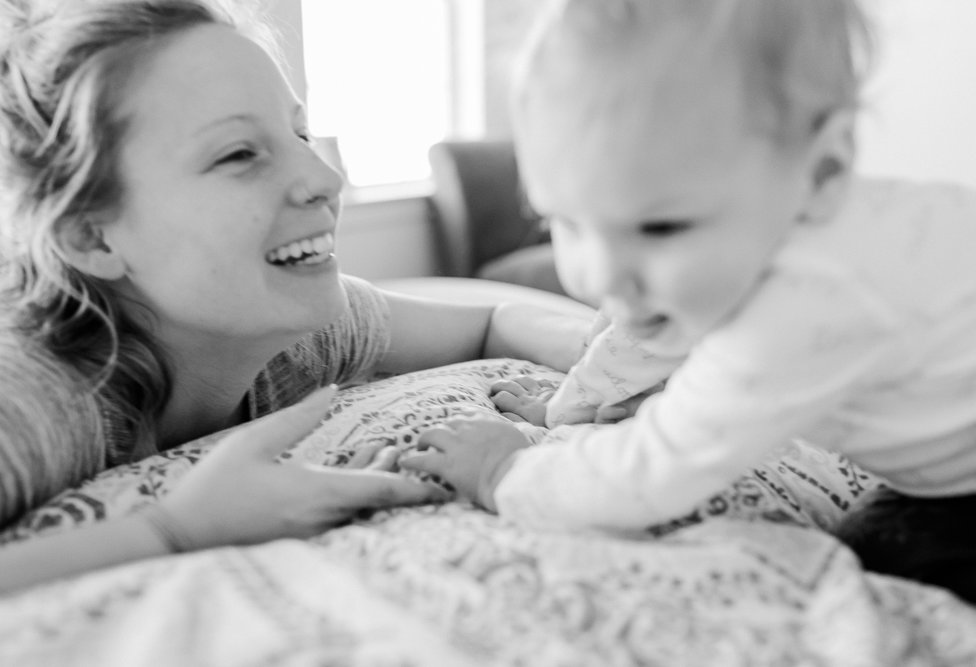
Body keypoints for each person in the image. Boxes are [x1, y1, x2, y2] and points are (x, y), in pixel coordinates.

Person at [402, 0, 976, 610]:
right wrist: (568, 405)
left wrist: (502, 474)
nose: (600, 273)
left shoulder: (800, 307)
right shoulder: (745, 239)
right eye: (565, 220)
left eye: (660, 227)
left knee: (876, 559)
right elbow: (639, 336)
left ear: (822, 170)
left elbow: (647, 474)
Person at [0, 0, 591, 594]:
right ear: (88, 235)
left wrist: (609, 351)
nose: (325, 179)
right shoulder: (34, 397)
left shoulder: (298, 332)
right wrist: (177, 529)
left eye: (299, 132)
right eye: (238, 154)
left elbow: (493, 321)